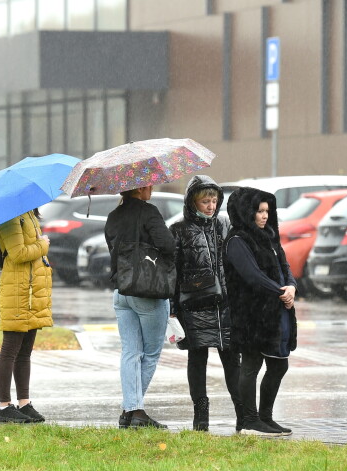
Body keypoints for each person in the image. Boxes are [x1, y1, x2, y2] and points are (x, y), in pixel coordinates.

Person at [169, 175, 242, 432]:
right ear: (192, 202)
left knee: (233, 360)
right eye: (205, 201)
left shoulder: (224, 225)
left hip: (225, 305)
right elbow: (173, 274)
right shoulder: (178, 229)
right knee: (197, 359)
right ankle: (201, 415)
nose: (210, 206)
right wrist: (172, 310)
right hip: (194, 305)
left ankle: (242, 414)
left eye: (214, 200)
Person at [223, 186, 297, 437]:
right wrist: (281, 291)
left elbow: (285, 267)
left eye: (267, 210)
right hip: (249, 314)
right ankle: (249, 420)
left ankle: (265, 417)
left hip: (275, 312)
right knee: (251, 364)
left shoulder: (270, 237)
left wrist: (292, 288)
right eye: (258, 210)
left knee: (279, 365)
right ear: (246, 212)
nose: (264, 215)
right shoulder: (237, 240)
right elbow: (252, 276)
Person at [104, 185, 177, 429]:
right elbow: (167, 245)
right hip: (148, 290)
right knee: (151, 352)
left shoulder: (114, 215)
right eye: (149, 185)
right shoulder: (149, 212)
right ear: (142, 187)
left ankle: (130, 411)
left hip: (121, 291)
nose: (152, 189)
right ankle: (134, 409)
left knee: (130, 352)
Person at [0, 208, 53, 423]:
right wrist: (43, 243)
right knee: (10, 348)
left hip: (30, 292)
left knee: (25, 352)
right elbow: (18, 254)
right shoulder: (9, 217)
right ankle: (4, 406)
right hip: (17, 291)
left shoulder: (27, 215)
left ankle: (24, 403)